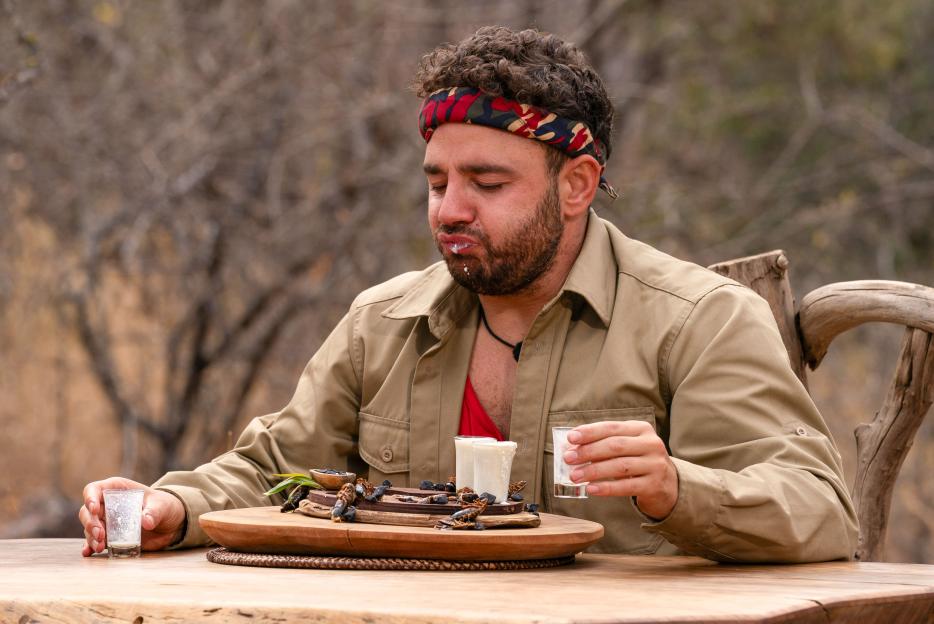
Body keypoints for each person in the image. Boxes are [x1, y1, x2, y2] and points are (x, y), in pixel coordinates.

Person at [79, 26, 858, 562]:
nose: (450, 208)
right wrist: (169, 508)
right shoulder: (384, 323)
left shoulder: (700, 321)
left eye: (487, 182)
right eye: (437, 181)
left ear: (578, 184)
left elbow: (820, 509)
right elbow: (275, 468)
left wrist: (674, 489)